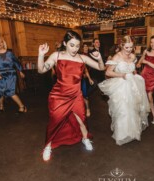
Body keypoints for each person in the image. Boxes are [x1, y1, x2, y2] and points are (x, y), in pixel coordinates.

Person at [38, 31, 105, 161]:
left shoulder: (82, 58)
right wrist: (41, 55)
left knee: (81, 119)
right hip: (59, 96)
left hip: (76, 95)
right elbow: (41, 70)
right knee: (55, 121)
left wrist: (100, 58)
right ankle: (48, 146)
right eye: (72, 45)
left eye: (77, 46)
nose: (75, 49)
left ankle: (85, 139)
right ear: (65, 43)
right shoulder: (56, 55)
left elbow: (101, 68)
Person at [98, 35, 150, 146]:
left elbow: (133, 69)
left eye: (131, 47)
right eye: (126, 47)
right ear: (122, 46)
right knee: (123, 110)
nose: (129, 50)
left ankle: (132, 132)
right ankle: (121, 134)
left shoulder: (133, 56)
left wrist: (135, 76)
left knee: (133, 109)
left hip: (132, 85)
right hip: (121, 86)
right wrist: (123, 75)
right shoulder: (116, 57)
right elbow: (108, 72)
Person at [0, 36, 27, 113]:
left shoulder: (9, 53)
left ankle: (22, 107)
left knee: (10, 92)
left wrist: (20, 71)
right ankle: (1, 107)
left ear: (3, 43)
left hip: (10, 74)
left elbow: (16, 62)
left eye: (1, 41)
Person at [137, 35, 154, 124]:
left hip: (153, 75)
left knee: (149, 97)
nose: (152, 44)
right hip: (144, 74)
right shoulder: (146, 51)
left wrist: (147, 62)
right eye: (151, 42)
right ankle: (141, 115)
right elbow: (139, 63)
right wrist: (138, 63)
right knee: (141, 95)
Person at [81, 43, 94, 117]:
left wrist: (89, 78)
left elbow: (86, 69)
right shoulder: (80, 56)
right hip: (76, 81)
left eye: (87, 47)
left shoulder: (86, 56)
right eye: (84, 47)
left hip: (84, 78)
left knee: (85, 95)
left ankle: (88, 109)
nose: (86, 48)